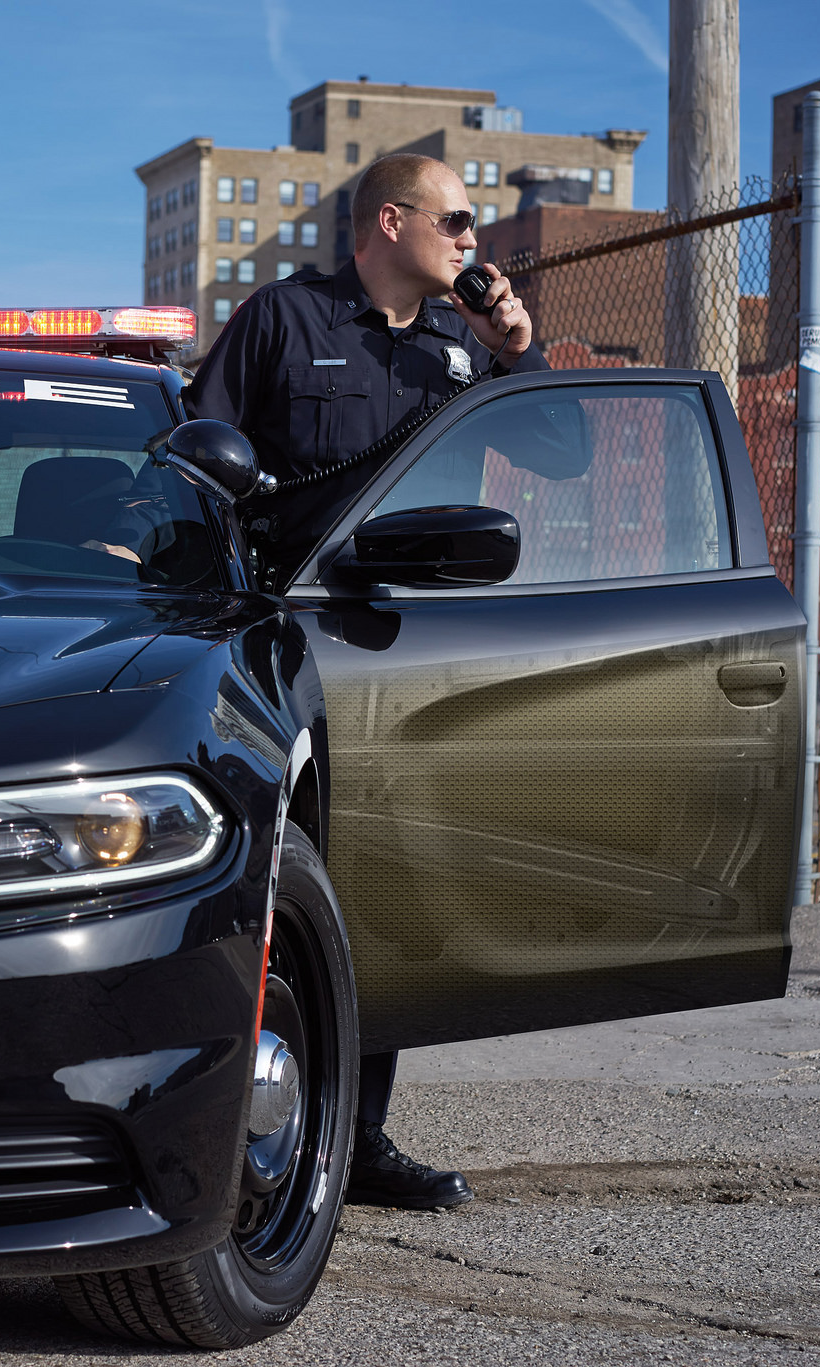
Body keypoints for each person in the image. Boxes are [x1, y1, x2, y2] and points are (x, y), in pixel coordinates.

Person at [187, 152, 546, 1211]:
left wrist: (514, 353)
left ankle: (359, 1138)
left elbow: (555, 455)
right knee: (268, 882)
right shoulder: (283, 319)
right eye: (457, 222)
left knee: (387, 895)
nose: (471, 242)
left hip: (414, 652)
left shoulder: (457, 346)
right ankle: (226, 1118)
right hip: (286, 643)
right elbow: (196, 454)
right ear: (389, 222)